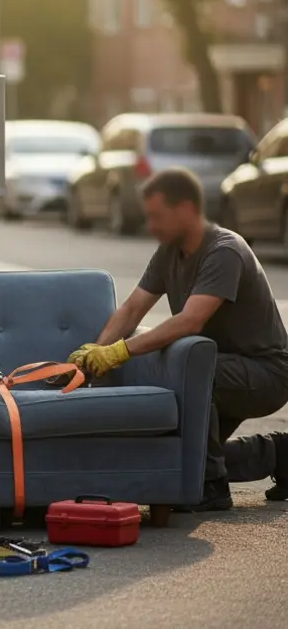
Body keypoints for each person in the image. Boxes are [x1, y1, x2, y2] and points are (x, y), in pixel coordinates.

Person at [69, 168, 288, 511]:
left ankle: (211, 488)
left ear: (186, 208)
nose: (151, 226)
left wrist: (119, 352)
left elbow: (190, 320)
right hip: (213, 366)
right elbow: (131, 309)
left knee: (190, 390)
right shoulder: (169, 252)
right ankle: (278, 454)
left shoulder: (224, 250)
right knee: (188, 454)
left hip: (266, 374)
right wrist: (96, 352)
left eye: (157, 216)